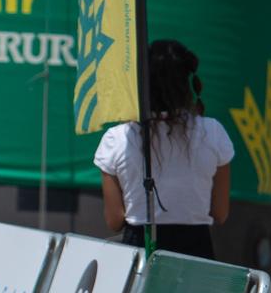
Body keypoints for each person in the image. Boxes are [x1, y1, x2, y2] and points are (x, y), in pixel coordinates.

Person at [93, 39, 234, 258]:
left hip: (139, 251)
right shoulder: (213, 132)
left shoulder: (116, 139)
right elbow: (220, 212)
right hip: (196, 253)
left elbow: (114, 221)